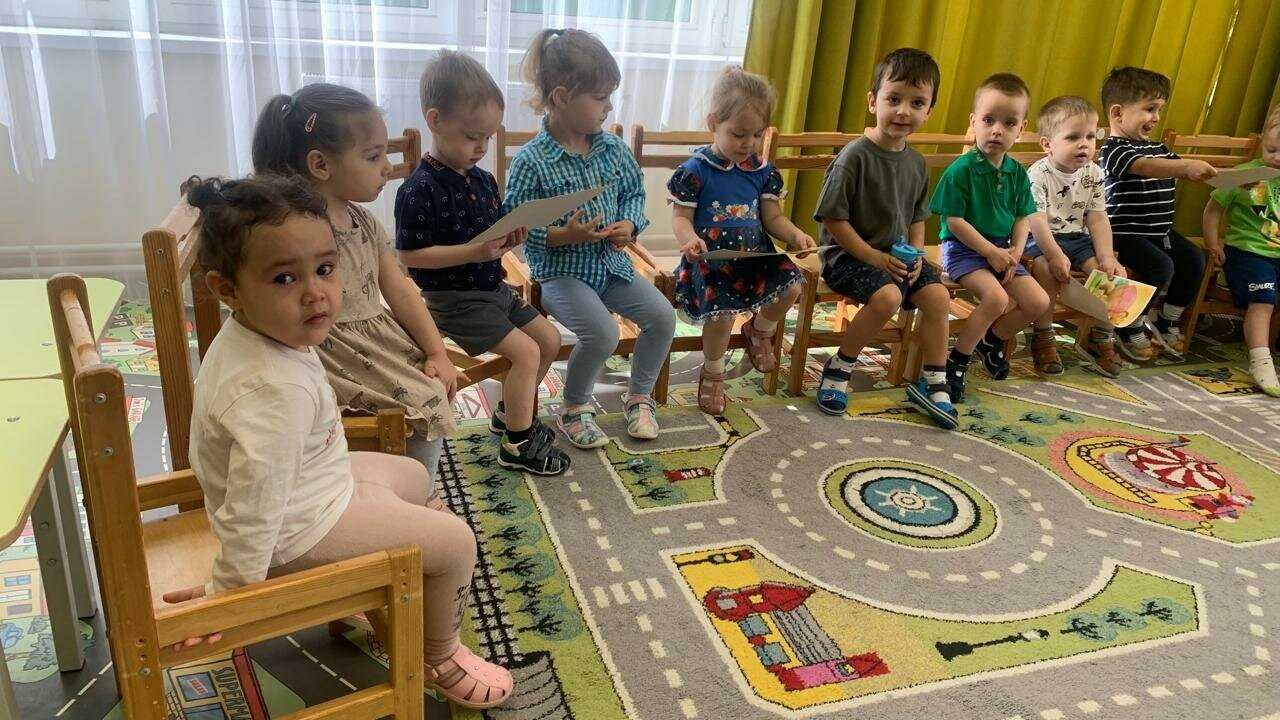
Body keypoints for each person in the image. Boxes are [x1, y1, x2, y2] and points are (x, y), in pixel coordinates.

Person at [168, 175, 513, 709]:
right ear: (227, 290)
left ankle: (395, 575)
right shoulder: (270, 390)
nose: (316, 293)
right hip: (294, 535)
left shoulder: (267, 331)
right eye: (285, 277)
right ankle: (439, 654)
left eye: (325, 269)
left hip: (312, 487)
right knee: (456, 542)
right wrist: (229, 591)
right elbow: (256, 505)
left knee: (413, 474)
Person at [251, 83, 459, 478]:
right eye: (373, 156)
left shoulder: (363, 220)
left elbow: (400, 290)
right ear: (321, 165)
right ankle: (415, 488)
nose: (387, 167)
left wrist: (437, 351)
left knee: (434, 382)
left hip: (373, 338)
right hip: (326, 347)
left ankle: (411, 482)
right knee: (424, 397)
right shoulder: (295, 231)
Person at [396, 50, 569, 475]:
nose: (481, 147)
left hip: (493, 289)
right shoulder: (418, 189)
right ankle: (518, 444)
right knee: (527, 353)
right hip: (454, 300)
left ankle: (510, 412)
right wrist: (473, 252)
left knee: (549, 340)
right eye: (473, 136)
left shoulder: (484, 180)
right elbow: (409, 256)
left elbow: (490, 236)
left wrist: (511, 236)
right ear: (435, 120)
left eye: (489, 138)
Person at [503, 28, 676, 447]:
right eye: (600, 98)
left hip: (611, 265)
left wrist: (629, 225)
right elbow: (514, 226)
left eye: (609, 96)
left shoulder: (613, 149)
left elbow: (634, 194)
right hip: (561, 274)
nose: (608, 106)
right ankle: (574, 407)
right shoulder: (531, 161)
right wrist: (562, 235)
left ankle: (639, 397)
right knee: (603, 334)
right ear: (562, 97)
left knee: (662, 318)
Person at [811, 48, 957, 428]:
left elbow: (917, 218)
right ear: (873, 101)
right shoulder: (854, 157)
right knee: (888, 296)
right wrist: (874, 258)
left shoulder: (916, 163)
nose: (903, 111)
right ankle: (840, 365)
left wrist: (918, 256)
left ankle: (933, 379)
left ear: (929, 111)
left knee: (938, 296)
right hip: (846, 256)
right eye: (894, 99)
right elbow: (833, 220)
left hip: (896, 257)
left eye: (917, 103)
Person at [669, 66, 815, 415]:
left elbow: (773, 219)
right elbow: (680, 218)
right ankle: (713, 372)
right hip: (712, 260)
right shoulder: (695, 171)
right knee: (721, 316)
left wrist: (795, 234)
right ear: (713, 123)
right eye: (738, 134)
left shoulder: (762, 172)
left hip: (755, 256)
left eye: (756, 134)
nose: (747, 143)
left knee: (793, 287)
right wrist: (690, 240)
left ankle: (759, 331)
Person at [930, 73, 1050, 401]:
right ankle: (958, 360)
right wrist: (991, 253)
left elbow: (1023, 217)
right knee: (996, 299)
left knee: (1038, 302)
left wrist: (1016, 251)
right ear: (974, 123)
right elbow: (954, 222)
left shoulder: (1017, 173)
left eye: (1009, 123)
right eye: (988, 120)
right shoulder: (961, 170)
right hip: (962, 250)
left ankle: (991, 340)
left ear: (1021, 128)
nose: (997, 130)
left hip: (1001, 250)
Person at [1098, 66, 1217, 359]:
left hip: (1159, 231)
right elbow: (1146, 167)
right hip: (1123, 233)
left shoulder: (1159, 148)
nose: (1156, 117)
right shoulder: (1113, 149)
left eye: (1159, 110)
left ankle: (1168, 320)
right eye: (1150, 109)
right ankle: (1129, 323)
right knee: (1161, 267)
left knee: (1194, 259)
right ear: (1118, 113)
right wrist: (1185, 167)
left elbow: (1174, 164)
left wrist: (1222, 176)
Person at [1023, 95, 1125, 378]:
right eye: (1073, 137)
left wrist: (1106, 256)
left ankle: (1100, 335)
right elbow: (1036, 221)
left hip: (1076, 238)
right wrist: (1055, 255)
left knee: (1109, 274)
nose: (1084, 144)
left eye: (1090, 136)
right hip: (1040, 238)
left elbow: (1097, 217)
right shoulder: (1038, 174)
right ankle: (1043, 335)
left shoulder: (1094, 172)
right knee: (1046, 270)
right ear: (1047, 144)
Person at [1202, 105, 1280, 395]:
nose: (1277, 158)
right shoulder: (1244, 175)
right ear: (1263, 140)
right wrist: (1212, 242)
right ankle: (1261, 361)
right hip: (1248, 253)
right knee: (1263, 301)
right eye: (1271, 150)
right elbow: (1213, 209)